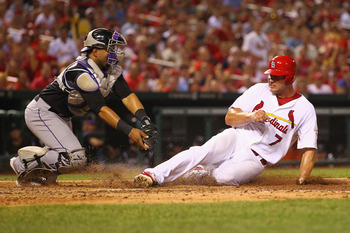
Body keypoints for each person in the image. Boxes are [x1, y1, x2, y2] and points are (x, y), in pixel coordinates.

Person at [134, 55, 318, 187]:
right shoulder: (258, 90)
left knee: (223, 177)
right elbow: (229, 118)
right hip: (237, 137)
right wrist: (251, 116)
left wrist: (304, 176)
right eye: (270, 74)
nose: (271, 79)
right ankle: (153, 174)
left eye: (277, 76)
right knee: (201, 151)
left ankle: (202, 173)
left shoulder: (305, 108)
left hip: (257, 158)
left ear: (291, 78)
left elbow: (309, 148)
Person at [9, 28, 157, 186]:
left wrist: (145, 120)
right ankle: (22, 163)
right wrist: (130, 131)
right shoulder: (82, 72)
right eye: (110, 48)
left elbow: (126, 95)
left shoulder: (110, 70)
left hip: (61, 117)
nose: (114, 52)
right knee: (75, 158)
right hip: (42, 112)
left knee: (58, 168)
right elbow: (100, 108)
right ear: (95, 51)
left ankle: (35, 174)